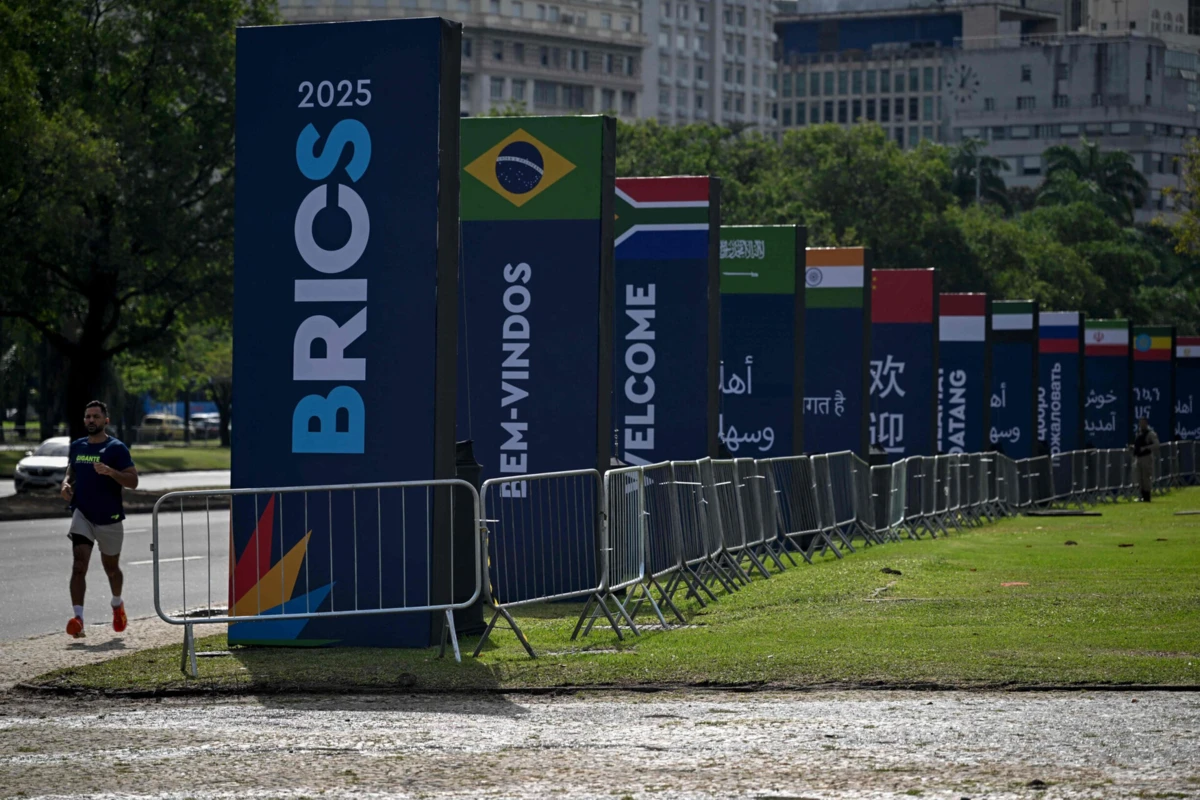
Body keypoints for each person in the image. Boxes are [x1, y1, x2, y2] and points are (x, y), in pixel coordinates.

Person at [59, 401, 139, 637]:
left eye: (95, 416)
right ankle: (78, 619)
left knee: (111, 569)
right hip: (82, 512)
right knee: (78, 565)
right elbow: (71, 470)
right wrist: (65, 483)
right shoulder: (77, 446)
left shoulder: (117, 448)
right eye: (87, 417)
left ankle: (117, 604)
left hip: (109, 517)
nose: (90, 420)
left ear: (106, 420)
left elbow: (133, 481)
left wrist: (111, 472)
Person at [1132, 416, 1159, 503]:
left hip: (1146, 458)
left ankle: (1147, 497)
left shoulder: (1150, 434)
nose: (1141, 424)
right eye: (1140, 423)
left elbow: (1156, 444)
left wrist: (1146, 448)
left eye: (1143, 422)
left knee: (1146, 478)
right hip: (1138, 458)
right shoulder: (1139, 433)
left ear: (1146, 423)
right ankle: (1141, 496)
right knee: (1139, 478)